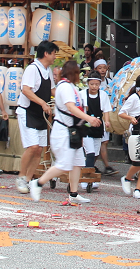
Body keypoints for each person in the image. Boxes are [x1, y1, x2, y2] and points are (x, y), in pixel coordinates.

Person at [29, 61, 101, 204]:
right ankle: (38, 183)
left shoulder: (70, 86)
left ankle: (73, 194)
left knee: (77, 163)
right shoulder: (65, 87)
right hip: (64, 131)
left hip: (73, 130)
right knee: (64, 164)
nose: (80, 75)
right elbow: (71, 107)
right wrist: (88, 118)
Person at [15, 40, 57, 194]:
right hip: (27, 112)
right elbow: (26, 90)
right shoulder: (32, 69)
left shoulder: (48, 70)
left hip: (40, 114)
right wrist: (43, 103)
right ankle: (20, 177)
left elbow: (53, 90)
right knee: (32, 147)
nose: (54, 57)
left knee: (39, 150)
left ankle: (28, 180)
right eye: (53, 54)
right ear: (46, 53)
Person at [119, 74, 140, 200]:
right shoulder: (134, 98)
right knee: (138, 162)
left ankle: (138, 189)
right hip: (136, 132)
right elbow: (121, 112)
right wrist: (130, 118)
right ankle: (127, 178)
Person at [80, 72, 113, 188]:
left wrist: (107, 121)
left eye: (97, 84)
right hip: (86, 126)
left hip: (98, 126)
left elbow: (106, 109)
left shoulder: (103, 95)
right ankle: (86, 179)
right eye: (92, 84)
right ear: (88, 83)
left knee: (95, 154)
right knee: (90, 152)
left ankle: (88, 173)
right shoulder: (82, 94)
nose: (94, 87)